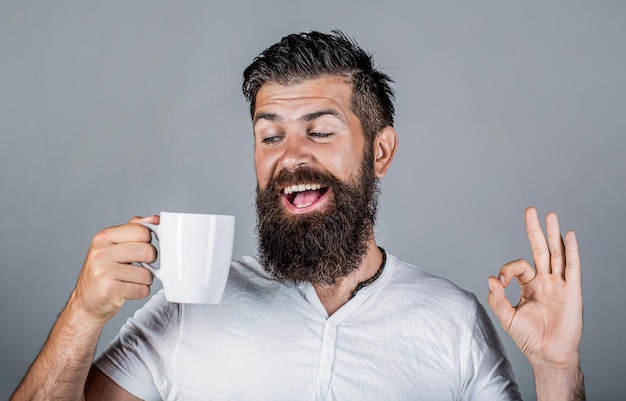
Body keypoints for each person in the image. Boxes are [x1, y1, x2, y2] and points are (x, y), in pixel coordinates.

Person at [11, 31, 585, 401]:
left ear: (380, 152)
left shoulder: (454, 324)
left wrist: (558, 369)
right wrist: (83, 315)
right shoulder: (185, 312)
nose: (290, 157)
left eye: (320, 130)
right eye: (270, 135)